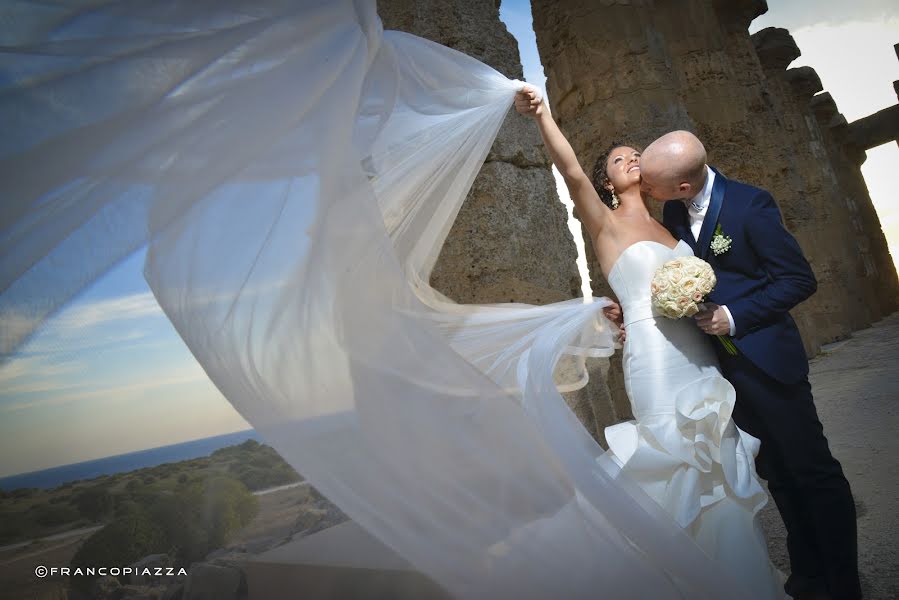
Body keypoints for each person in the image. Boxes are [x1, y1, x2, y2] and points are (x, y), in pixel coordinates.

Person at [514, 88, 787, 598]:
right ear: (607, 181)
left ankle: (740, 582)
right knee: (674, 459)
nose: (631, 158)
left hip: (701, 353)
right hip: (656, 361)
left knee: (719, 461)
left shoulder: (676, 224)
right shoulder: (605, 221)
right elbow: (571, 171)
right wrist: (544, 115)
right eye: (619, 159)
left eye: (635, 153)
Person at [640, 131, 861, 600]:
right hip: (722, 369)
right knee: (776, 472)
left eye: (653, 186)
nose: (646, 189)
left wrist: (734, 316)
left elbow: (798, 280)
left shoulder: (750, 205)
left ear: (683, 186)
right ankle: (808, 574)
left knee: (811, 470)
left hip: (767, 360)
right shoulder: (674, 210)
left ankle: (843, 584)